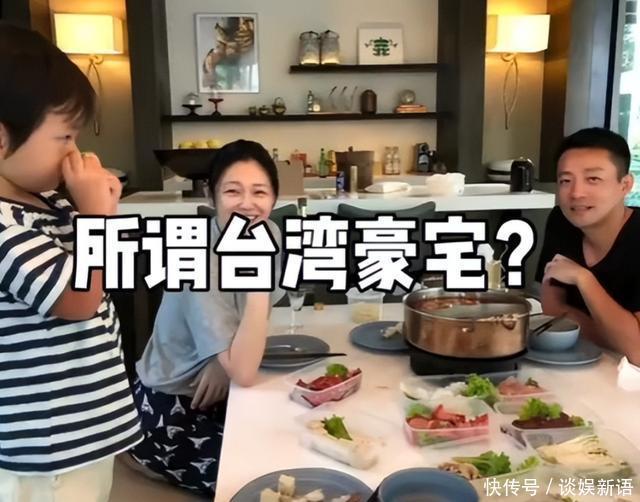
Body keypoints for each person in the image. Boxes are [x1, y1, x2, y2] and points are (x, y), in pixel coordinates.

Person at [0, 23, 141, 501]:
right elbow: (78, 301)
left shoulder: (51, 203)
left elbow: (108, 277)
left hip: (84, 429)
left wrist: (104, 214)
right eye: (64, 136)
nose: (74, 153)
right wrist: (96, 218)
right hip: (47, 448)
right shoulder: (4, 224)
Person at [128, 139, 284, 497]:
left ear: (274, 199)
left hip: (226, 394)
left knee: (300, 436)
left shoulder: (270, 234)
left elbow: (250, 331)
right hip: (173, 406)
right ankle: (143, 458)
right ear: (211, 197)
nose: (247, 203)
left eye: (259, 191)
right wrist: (228, 362)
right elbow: (244, 372)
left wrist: (220, 360)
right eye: (232, 191)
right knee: (265, 481)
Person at [536, 127, 640, 366]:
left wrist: (584, 279)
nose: (576, 193)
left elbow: (638, 352)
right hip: (590, 365)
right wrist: (620, 335)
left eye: (593, 179)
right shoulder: (561, 221)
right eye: (566, 181)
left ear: (625, 185)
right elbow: (552, 309)